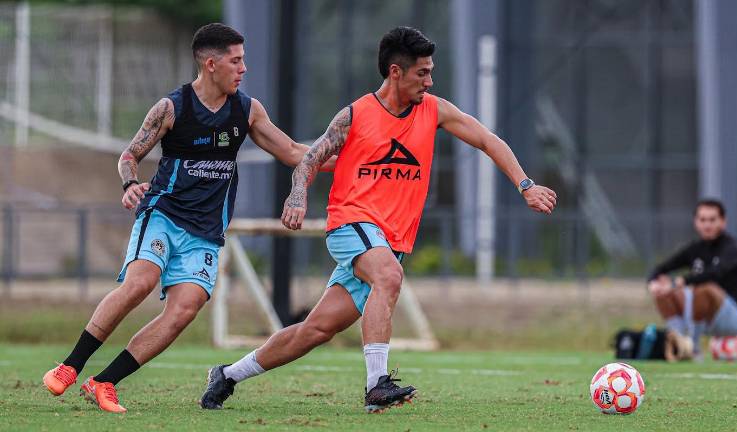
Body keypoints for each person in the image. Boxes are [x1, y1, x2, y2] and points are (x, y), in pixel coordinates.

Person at [200, 26, 557, 414]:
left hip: (388, 240)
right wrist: (298, 196)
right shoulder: (355, 115)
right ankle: (376, 385)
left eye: (431, 72)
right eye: (423, 73)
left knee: (316, 330)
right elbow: (310, 158)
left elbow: (489, 140)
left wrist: (526, 185)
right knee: (388, 276)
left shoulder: (435, 110)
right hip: (351, 224)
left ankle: (228, 375)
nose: (430, 81)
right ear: (395, 72)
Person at [42, 23, 332, 413]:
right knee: (139, 284)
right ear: (211, 64)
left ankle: (104, 381)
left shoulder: (246, 110)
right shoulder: (172, 107)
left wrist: (356, 161)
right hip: (163, 215)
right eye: (236, 61)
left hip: (206, 232)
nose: (244, 69)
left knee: (184, 311)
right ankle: (70, 366)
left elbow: (297, 152)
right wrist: (129, 184)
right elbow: (130, 155)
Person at [647, 199, 737, 356]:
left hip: (734, 317)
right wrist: (653, 283)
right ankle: (680, 345)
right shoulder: (694, 249)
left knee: (706, 288)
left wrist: (680, 281)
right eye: (702, 220)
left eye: (712, 220)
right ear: (696, 222)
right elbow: (660, 268)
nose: (707, 225)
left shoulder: (732, 247)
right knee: (663, 291)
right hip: (700, 316)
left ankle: (693, 347)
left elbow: (715, 273)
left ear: (723, 222)